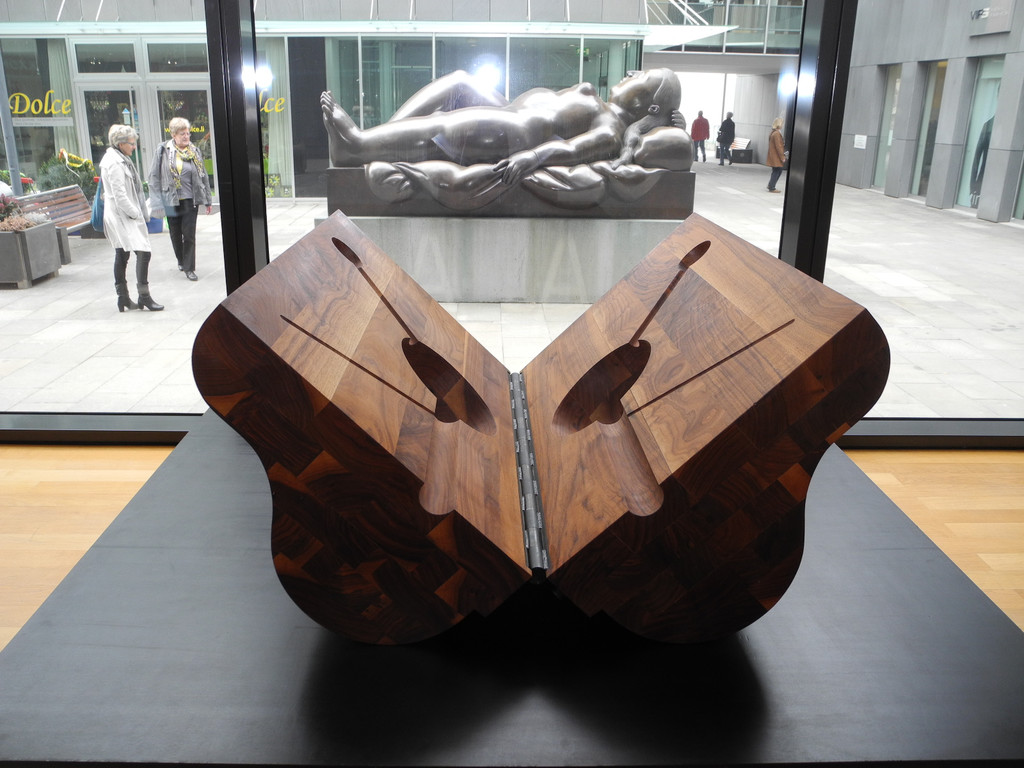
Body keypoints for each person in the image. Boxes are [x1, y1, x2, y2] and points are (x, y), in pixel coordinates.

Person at [321, 68, 683, 185]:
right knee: (460, 81)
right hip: (508, 111)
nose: (632, 72)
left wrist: (533, 157)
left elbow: (574, 150)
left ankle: (355, 145)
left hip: (515, 131)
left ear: (648, 106)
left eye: (643, 76)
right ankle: (372, 141)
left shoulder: (612, 127)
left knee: (442, 128)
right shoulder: (603, 107)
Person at [99, 124, 162, 312]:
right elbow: (120, 196)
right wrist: (136, 214)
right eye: (132, 143)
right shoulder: (115, 163)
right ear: (120, 144)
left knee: (122, 253)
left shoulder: (119, 159)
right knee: (143, 252)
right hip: (123, 215)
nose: (134, 147)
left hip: (121, 214)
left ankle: (124, 298)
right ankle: (143, 296)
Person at [148, 117, 213, 281]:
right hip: (170, 199)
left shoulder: (194, 151)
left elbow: (203, 176)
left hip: (190, 199)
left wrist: (207, 200)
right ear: (174, 135)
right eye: (182, 134)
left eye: (188, 133)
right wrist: (156, 203)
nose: (186, 136)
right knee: (175, 234)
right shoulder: (163, 151)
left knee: (189, 235)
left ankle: (189, 268)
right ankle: (181, 260)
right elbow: (153, 177)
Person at [766, 117, 788, 193]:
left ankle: (770, 185)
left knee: (776, 170)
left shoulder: (773, 132)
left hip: (773, 155)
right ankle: (772, 187)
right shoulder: (777, 134)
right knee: (778, 171)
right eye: (782, 123)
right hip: (776, 156)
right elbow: (779, 146)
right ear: (779, 124)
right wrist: (782, 157)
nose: (782, 125)